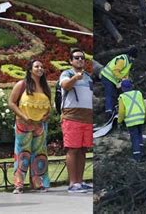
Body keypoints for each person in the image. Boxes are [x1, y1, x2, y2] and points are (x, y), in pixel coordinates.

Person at [8, 59, 51, 194]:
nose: (39, 68)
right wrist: (23, 116)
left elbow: (48, 105)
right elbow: (11, 102)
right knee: (22, 153)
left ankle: (38, 183)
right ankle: (19, 184)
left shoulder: (45, 87)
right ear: (30, 69)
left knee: (39, 153)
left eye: (41, 66)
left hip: (40, 124)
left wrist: (46, 116)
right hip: (24, 124)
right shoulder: (22, 85)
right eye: (36, 66)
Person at [60, 48, 93, 193]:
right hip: (72, 117)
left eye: (82, 58)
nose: (80, 60)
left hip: (87, 118)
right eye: (77, 58)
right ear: (71, 61)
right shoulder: (66, 73)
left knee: (83, 150)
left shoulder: (88, 77)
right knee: (73, 149)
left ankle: (80, 181)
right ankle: (73, 183)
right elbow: (65, 85)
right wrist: (75, 78)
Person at [100, 47, 138, 119]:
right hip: (107, 77)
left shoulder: (129, 62)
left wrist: (126, 80)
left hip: (114, 79)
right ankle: (109, 111)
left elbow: (125, 72)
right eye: (133, 58)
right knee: (110, 93)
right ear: (130, 56)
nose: (133, 59)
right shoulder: (122, 60)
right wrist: (122, 79)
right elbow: (115, 71)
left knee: (115, 94)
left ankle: (114, 109)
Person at [117, 79, 146, 162]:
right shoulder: (138, 93)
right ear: (131, 86)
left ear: (122, 88)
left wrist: (119, 121)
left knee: (134, 137)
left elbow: (121, 111)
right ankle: (142, 152)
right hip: (141, 118)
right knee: (140, 135)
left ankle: (137, 156)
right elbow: (144, 106)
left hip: (131, 120)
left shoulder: (122, 97)